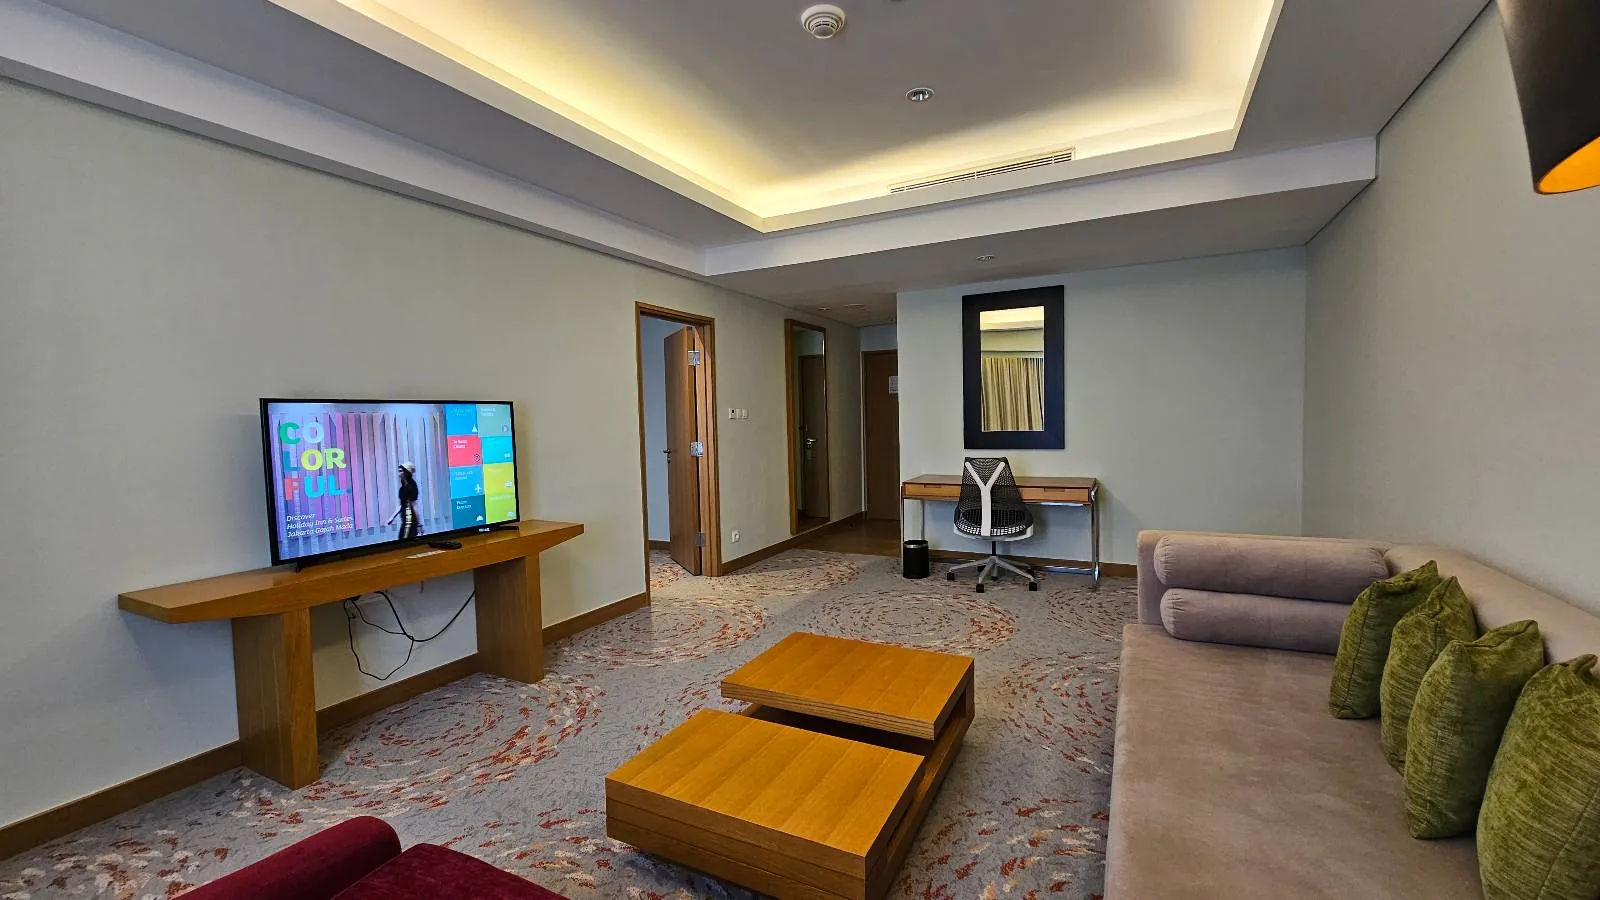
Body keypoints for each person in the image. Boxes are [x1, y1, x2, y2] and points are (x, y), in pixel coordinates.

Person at [388, 462, 422, 540]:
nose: (398, 473)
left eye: (400, 471)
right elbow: (403, 504)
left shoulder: (411, 487)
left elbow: (414, 506)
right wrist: (392, 517)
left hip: (409, 520)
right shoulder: (404, 486)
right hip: (405, 519)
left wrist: (419, 525)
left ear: (406, 473)